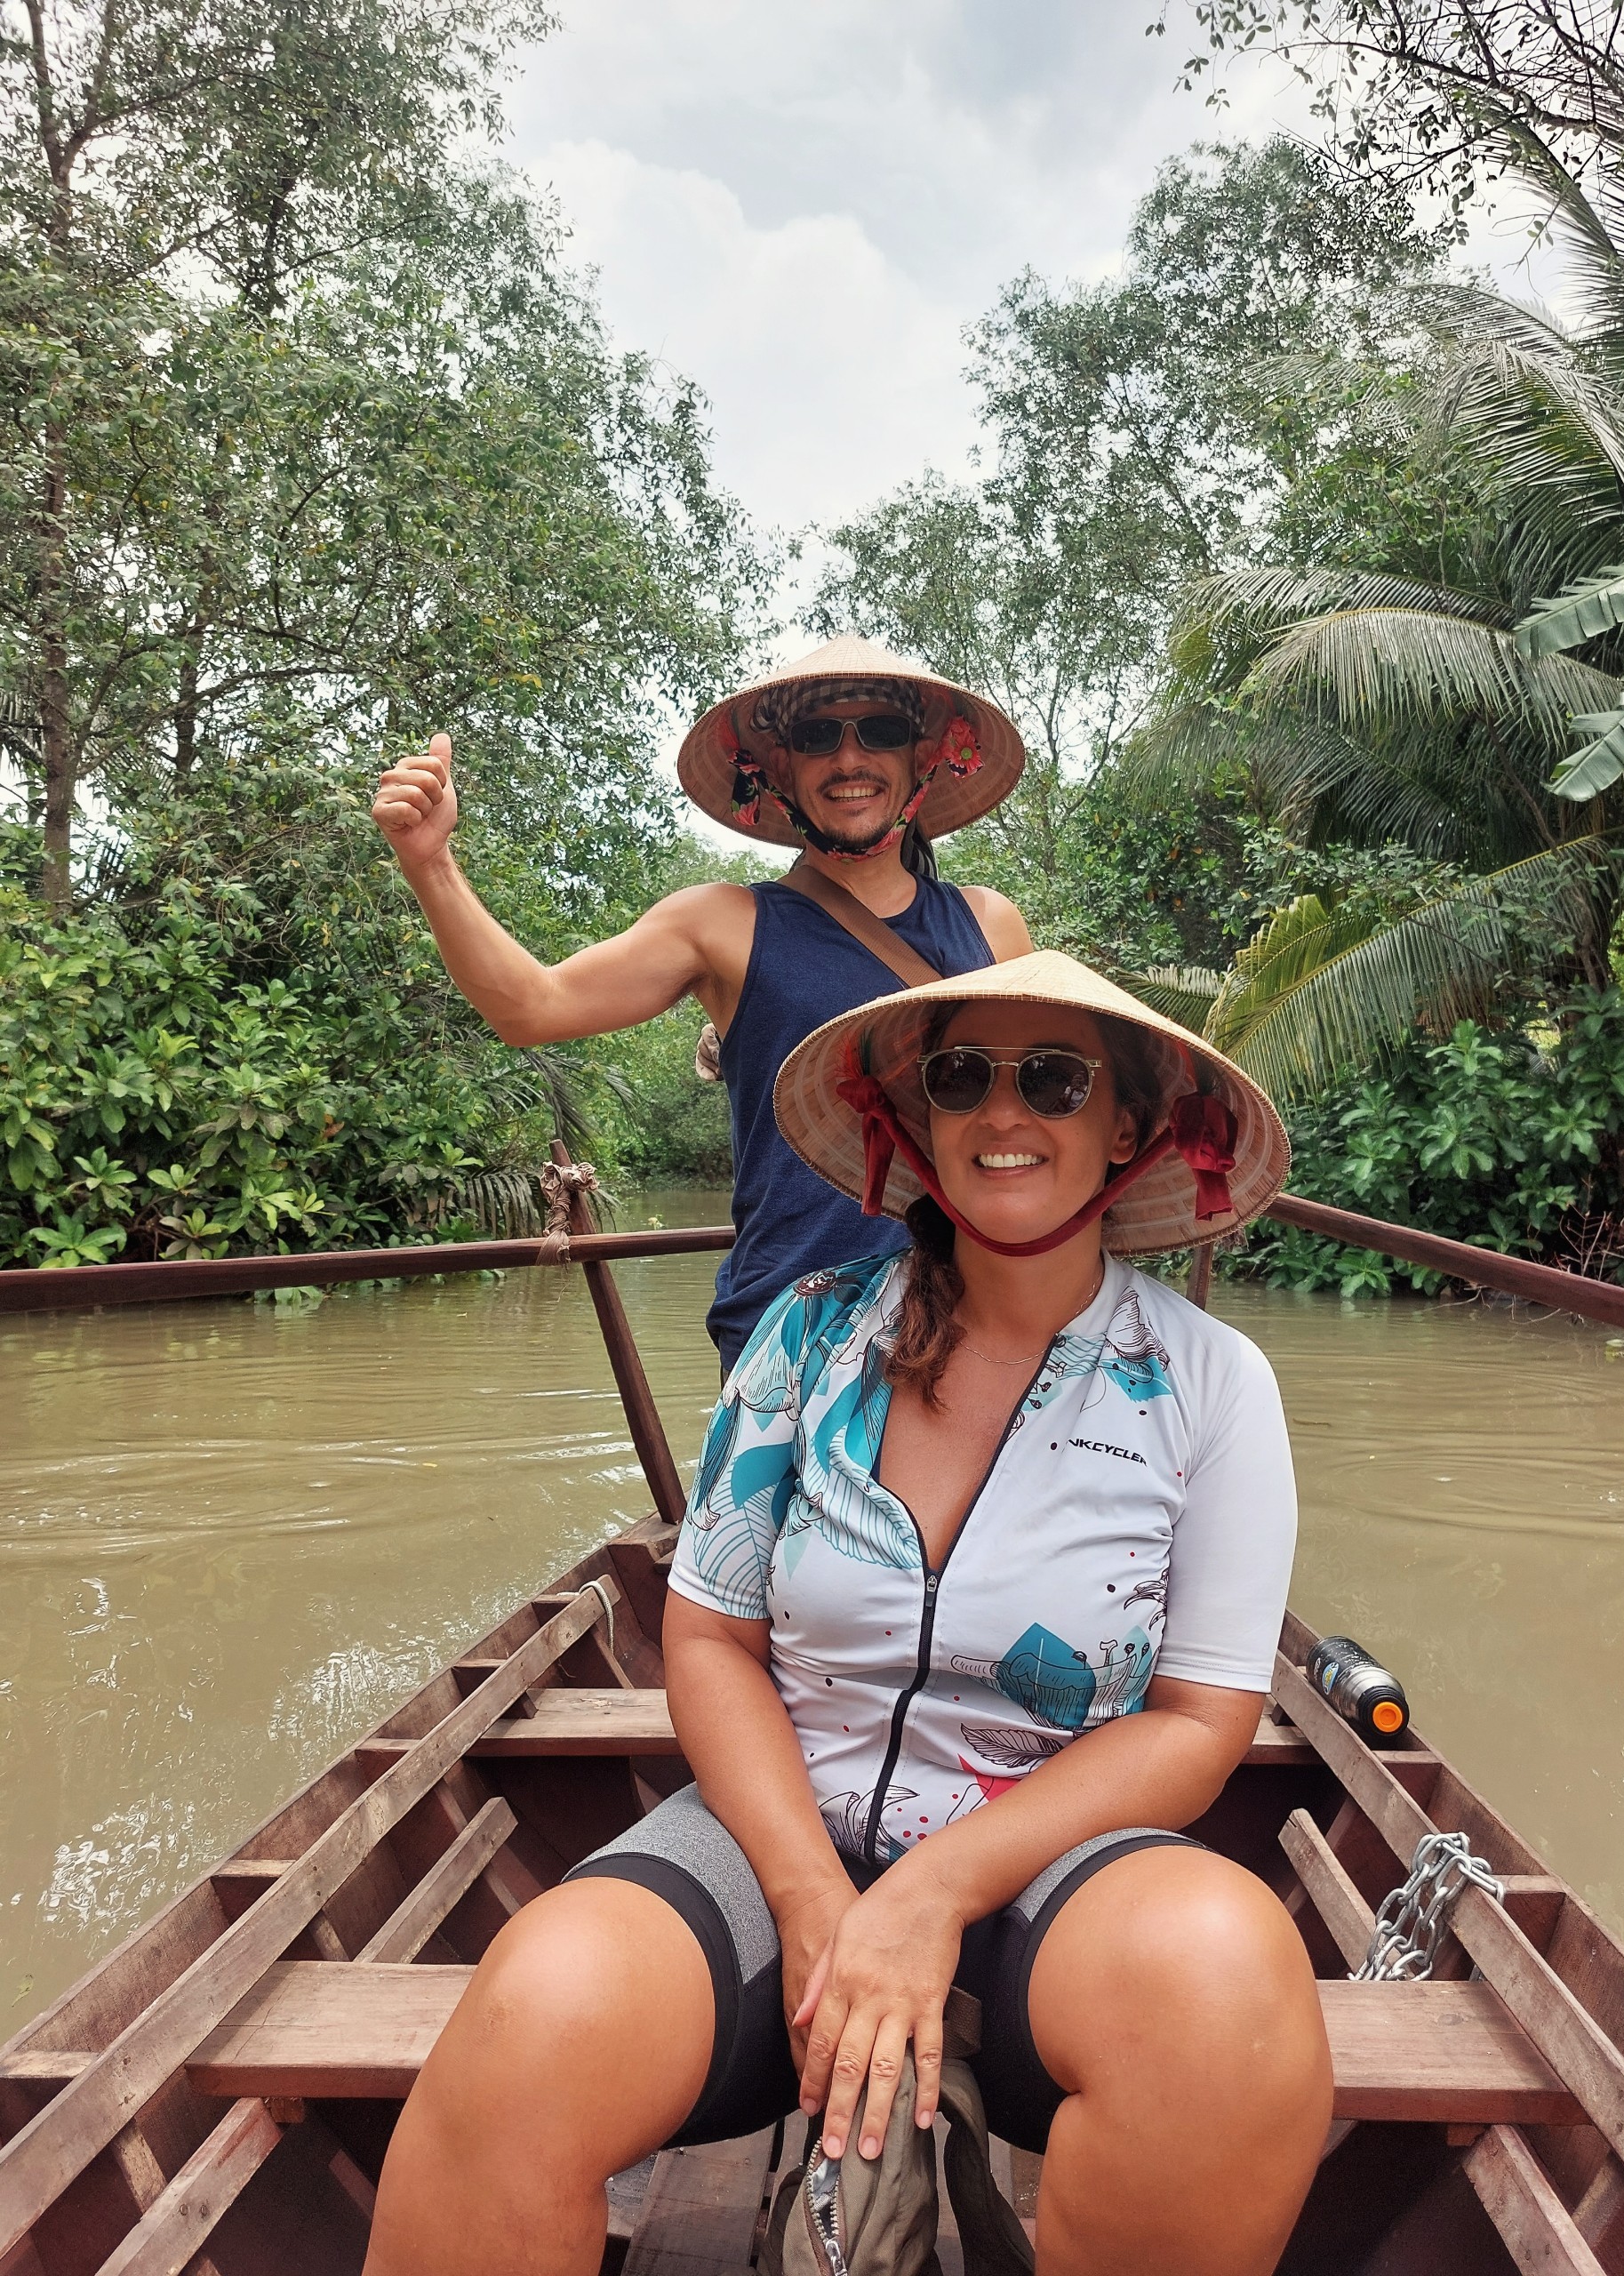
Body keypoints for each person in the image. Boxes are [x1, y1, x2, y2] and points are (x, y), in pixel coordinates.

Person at [363, 950, 1332, 2276]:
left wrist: (932, 1893)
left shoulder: (1210, 1384)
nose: (1006, 1112)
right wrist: (817, 1894)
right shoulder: (810, 1339)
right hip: (777, 1840)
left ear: (1127, 1124)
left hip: (1047, 1871)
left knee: (1231, 1991)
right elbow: (708, 1637)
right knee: (533, 2012)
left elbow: (1200, 1718)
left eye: (1054, 1078)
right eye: (962, 1076)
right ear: (919, 1119)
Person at [370, 635, 1033, 1368]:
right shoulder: (723, 923)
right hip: (792, 1338)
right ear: (779, 766)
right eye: (818, 736)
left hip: (979, 1323)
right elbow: (532, 1006)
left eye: (879, 731)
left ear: (923, 754)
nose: (850, 760)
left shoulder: (990, 925)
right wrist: (431, 863)